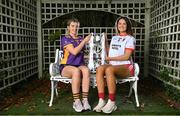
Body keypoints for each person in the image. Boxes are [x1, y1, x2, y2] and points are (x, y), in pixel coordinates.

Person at [93, 17, 136, 114]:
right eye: (119, 23)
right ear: (117, 26)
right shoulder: (114, 38)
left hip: (126, 67)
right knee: (100, 68)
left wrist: (110, 59)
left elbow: (126, 57)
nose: (121, 25)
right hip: (113, 66)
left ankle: (112, 102)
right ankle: (101, 100)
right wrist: (105, 41)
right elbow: (110, 53)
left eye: (124, 23)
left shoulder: (130, 39)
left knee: (109, 70)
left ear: (127, 25)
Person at [60, 18, 91, 112]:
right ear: (68, 27)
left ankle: (85, 100)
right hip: (67, 66)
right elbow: (74, 52)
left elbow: (85, 53)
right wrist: (84, 41)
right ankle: (76, 101)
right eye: (72, 26)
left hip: (79, 65)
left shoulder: (81, 38)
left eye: (77, 26)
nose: (75, 28)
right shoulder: (65, 38)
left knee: (86, 70)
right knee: (76, 71)